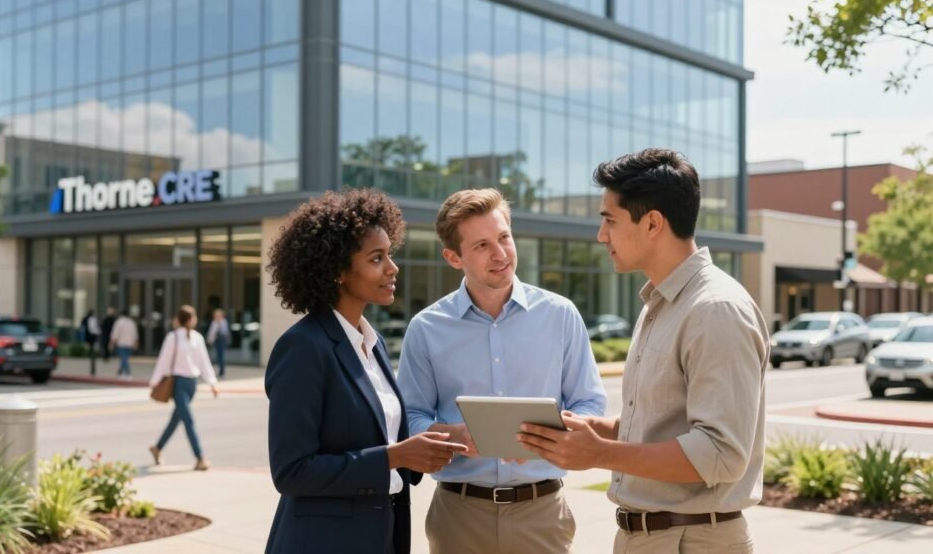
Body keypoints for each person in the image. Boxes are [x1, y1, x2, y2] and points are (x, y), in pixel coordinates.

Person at [517, 149, 769, 554]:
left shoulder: (715, 309)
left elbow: (721, 454)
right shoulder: (662, 304)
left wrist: (601, 454)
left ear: (652, 223)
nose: (601, 236)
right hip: (651, 538)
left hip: (693, 541)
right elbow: (666, 422)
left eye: (609, 221)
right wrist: (598, 431)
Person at [396, 187, 607, 554]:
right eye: (480, 246)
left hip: (543, 514)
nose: (500, 254)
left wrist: (555, 435)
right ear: (452, 257)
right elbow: (410, 417)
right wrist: (454, 436)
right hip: (458, 516)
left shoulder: (560, 315)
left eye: (504, 237)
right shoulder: (426, 328)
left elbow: (589, 402)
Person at [264, 189, 467, 554]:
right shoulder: (304, 348)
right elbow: (292, 471)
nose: (393, 268)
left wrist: (428, 449)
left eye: (390, 254)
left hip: (382, 537)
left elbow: (382, 437)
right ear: (338, 271)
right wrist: (397, 456)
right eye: (377, 258)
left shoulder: (370, 345)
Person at [149, 304, 219, 471]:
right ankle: (200, 457)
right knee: (189, 420)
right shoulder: (173, 337)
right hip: (178, 383)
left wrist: (212, 382)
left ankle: (157, 448)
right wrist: (155, 380)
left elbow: (204, 362)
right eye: (193, 317)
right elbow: (164, 361)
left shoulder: (197, 338)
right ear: (186, 319)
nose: (195, 320)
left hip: (191, 384)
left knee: (176, 420)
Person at [108, 309, 139, 379]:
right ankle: (120, 372)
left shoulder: (118, 322)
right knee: (124, 359)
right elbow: (135, 334)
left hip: (121, 344)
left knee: (124, 359)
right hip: (130, 344)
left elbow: (115, 334)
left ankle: (128, 373)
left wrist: (111, 343)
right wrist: (136, 343)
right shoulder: (132, 322)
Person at [205, 309, 230, 377]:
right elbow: (211, 332)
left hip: (221, 341)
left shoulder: (223, 322)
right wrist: (209, 340)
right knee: (215, 356)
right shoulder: (214, 322)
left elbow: (225, 332)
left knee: (220, 356)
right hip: (215, 341)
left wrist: (219, 325)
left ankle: (222, 371)